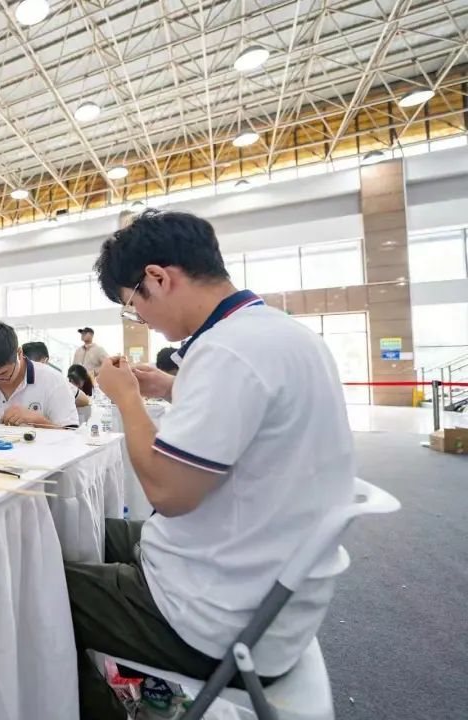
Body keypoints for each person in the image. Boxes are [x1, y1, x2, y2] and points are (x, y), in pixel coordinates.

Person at [65, 209, 354, 719]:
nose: (140, 319)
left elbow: (167, 493)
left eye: (132, 305)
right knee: (78, 524)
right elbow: (249, 415)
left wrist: (127, 399)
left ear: (158, 278)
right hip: (259, 577)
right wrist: (170, 387)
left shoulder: (227, 351)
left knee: (37, 584)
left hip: (212, 614)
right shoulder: (276, 333)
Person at [0, 322, 79, 428]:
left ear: (19, 353)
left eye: (3, 373)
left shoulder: (52, 380)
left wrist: (38, 421)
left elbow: (72, 435)